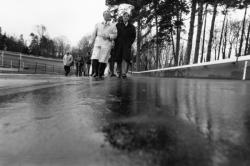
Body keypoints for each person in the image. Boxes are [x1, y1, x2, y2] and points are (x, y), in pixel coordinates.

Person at [89, 10, 117, 80]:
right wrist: (91, 42)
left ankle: (100, 73)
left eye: (108, 14)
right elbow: (93, 34)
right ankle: (95, 72)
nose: (107, 15)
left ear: (110, 16)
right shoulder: (98, 24)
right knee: (95, 56)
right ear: (103, 16)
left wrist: (108, 36)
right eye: (106, 14)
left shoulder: (113, 25)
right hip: (98, 41)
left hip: (107, 43)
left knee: (103, 58)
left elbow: (115, 35)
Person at [114, 12, 136, 78]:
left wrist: (130, 43)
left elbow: (133, 36)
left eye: (127, 16)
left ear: (128, 18)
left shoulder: (132, 27)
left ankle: (124, 73)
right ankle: (118, 72)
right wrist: (116, 42)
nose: (125, 17)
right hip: (119, 44)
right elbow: (115, 34)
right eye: (124, 16)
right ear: (122, 17)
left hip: (127, 45)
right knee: (119, 58)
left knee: (125, 58)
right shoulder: (118, 25)